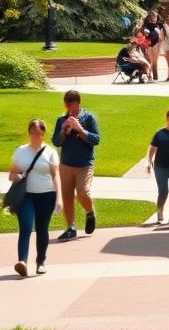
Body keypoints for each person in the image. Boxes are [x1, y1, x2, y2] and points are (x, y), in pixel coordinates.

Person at [8, 119, 60, 277]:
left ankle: (41, 262)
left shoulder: (50, 152)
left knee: (42, 229)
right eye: (33, 132)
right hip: (26, 196)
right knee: (25, 227)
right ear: (29, 133)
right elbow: (11, 174)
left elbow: (55, 175)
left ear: (43, 134)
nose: (36, 136)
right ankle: (22, 261)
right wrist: (20, 176)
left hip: (47, 195)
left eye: (39, 133)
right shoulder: (21, 151)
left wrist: (60, 198)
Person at [52, 89, 100, 240]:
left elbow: (96, 139)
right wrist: (64, 131)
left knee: (82, 192)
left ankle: (90, 212)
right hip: (66, 163)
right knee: (67, 197)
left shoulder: (89, 118)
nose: (69, 107)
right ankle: (70, 227)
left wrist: (80, 129)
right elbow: (56, 141)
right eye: (67, 104)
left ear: (78, 103)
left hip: (84, 163)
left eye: (71, 104)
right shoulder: (61, 120)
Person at [146, 108, 169, 225]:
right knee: (163, 191)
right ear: (167, 118)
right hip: (161, 166)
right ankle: (160, 212)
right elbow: (152, 148)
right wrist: (149, 161)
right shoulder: (160, 133)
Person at [141, 9, 163, 80]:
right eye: (152, 17)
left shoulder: (158, 26)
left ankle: (155, 76)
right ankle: (147, 75)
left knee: (155, 61)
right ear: (148, 18)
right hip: (148, 46)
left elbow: (160, 38)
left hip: (156, 45)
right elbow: (144, 35)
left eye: (155, 17)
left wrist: (159, 45)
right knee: (149, 61)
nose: (153, 19)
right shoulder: (146, 26)